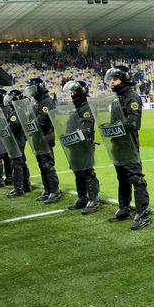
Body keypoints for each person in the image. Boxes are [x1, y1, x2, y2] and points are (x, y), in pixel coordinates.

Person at [103, 66, 151, 229]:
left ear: (123, 79)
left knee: (136, 178)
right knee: (122, 178)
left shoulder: (131, 97)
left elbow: (133, 123)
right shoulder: (117, 98)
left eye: (114, 79)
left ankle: (143, 214)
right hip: (117, 144)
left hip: (129, 144)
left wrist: (115, 126)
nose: (112, 82)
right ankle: (124, 209)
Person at [59, 80, 101, 215]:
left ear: (80, 92)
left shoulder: (87, 107)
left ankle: (93, 200)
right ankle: (82, 197)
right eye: (70, 92)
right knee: (77, 172)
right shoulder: (76, 108)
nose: (71, 95)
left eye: (73, 92)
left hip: (84, 146)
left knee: (87, 172)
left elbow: (86, 129)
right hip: (74, 145)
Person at [4, 90, 32, 197]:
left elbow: (12, 127)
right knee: (21, 160)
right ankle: (25, 184)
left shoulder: (14, 112)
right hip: (21, 138)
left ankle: (18, 188)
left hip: (17, 139)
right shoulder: (21, 109)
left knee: (16, 162)